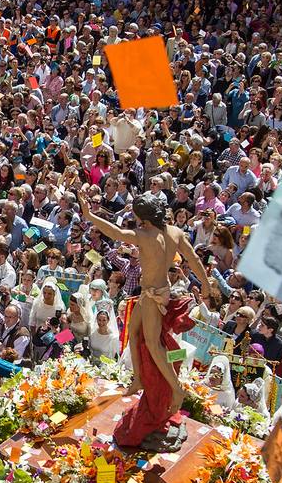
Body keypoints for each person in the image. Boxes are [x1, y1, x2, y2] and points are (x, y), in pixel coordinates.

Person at [79, 191, 209, 448]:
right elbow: (193, 259)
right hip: (152, 293)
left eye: (138, 218)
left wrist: (89, 215)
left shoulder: (144, 235)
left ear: (145, 220)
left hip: (152, 297)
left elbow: (116, 233)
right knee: (134, 334)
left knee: (153, 344)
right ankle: (138, 377)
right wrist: (204, 283)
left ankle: (176, 389)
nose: (136, 222)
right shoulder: (175, 232)